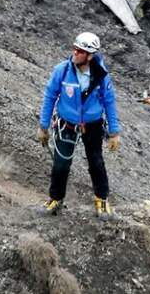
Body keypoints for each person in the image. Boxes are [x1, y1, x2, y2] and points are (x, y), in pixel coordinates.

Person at [37, 31, 121, 220]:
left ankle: (102, 200)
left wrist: (114, 132)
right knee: (61, 164)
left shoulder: (101, 76)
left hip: (93, 125)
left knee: (96, 163)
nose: (74, 53)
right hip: (67, 124)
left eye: (79, 51)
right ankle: (55, 199)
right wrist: (43, 126)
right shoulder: (63, 71)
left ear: (90, 56)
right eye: (74, 49)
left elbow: (109, 102)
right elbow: (50, 96)